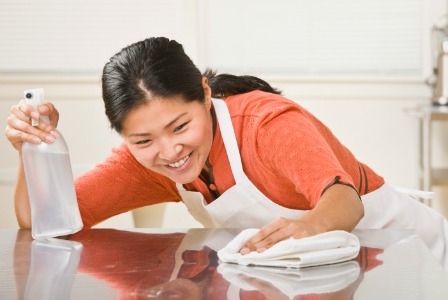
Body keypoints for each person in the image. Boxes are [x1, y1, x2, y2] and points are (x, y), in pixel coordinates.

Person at [5, 37, 448, 270]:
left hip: (412, 258)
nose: (170, 151)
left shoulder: (266, 125)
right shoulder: (146, 160)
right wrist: (30, 150)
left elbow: (344, 200)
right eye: (143, 141)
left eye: (181, 126)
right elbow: (45, 220)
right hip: (325, 271)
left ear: (203, 92)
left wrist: (302, 228)